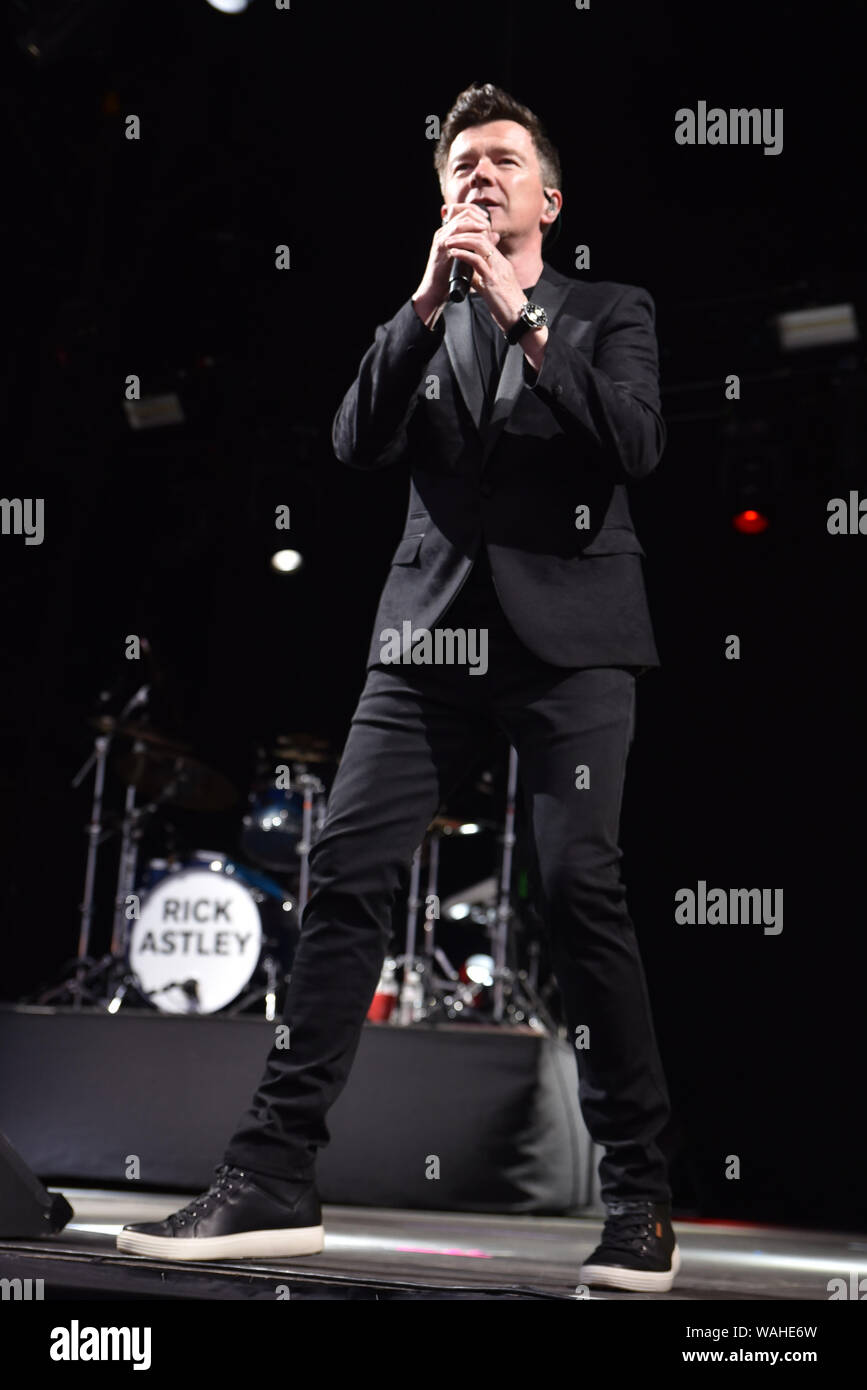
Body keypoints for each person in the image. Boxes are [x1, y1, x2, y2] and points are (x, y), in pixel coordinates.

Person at [118, 81, 680, 1293]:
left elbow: (634, 445)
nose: (482, 175)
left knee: (583, 888)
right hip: (425, 644)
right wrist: (430, 302)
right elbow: (353, 442)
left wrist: (526, 316)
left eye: (503, 159)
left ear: (548, 196)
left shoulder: (605, 309)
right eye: (462, 163)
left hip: (573, 643)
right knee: (343, 884)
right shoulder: (420, 322)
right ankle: (272, 1177)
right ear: (441, 198)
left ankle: (639, 1194)